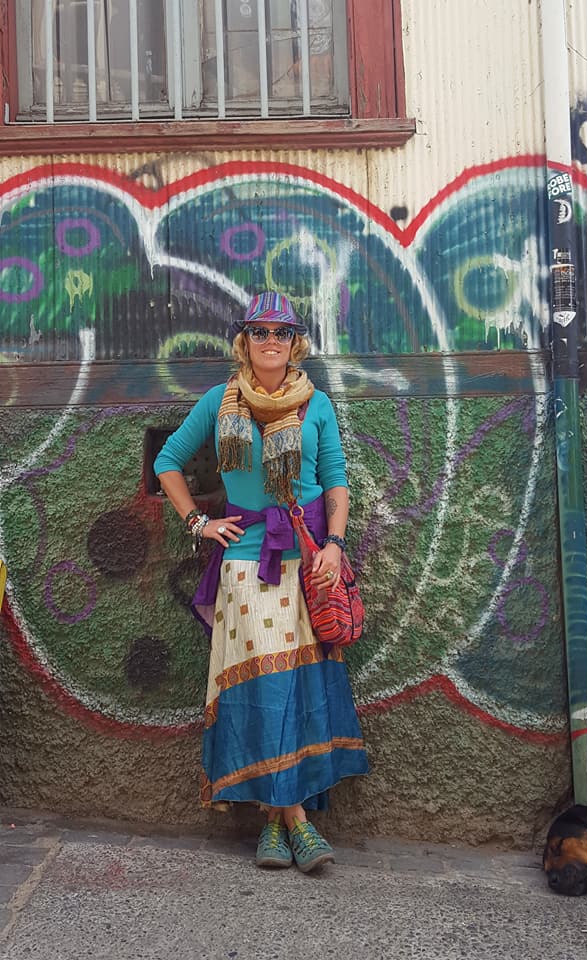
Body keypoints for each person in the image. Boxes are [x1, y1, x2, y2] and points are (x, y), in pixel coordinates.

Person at [154, 291, 368, 873]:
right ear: (243, 341)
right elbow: (167, 462)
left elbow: (335, 480)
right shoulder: (220, 402)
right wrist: (199, 522)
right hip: (248, 566)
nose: (270, 341)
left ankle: (274, 824)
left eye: (281, 332)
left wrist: (334, 544)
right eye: (259, 331)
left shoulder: (316, 405)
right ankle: (297, 822)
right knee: (266, 691)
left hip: (309, 565)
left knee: (297, 690)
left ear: (295, 343)